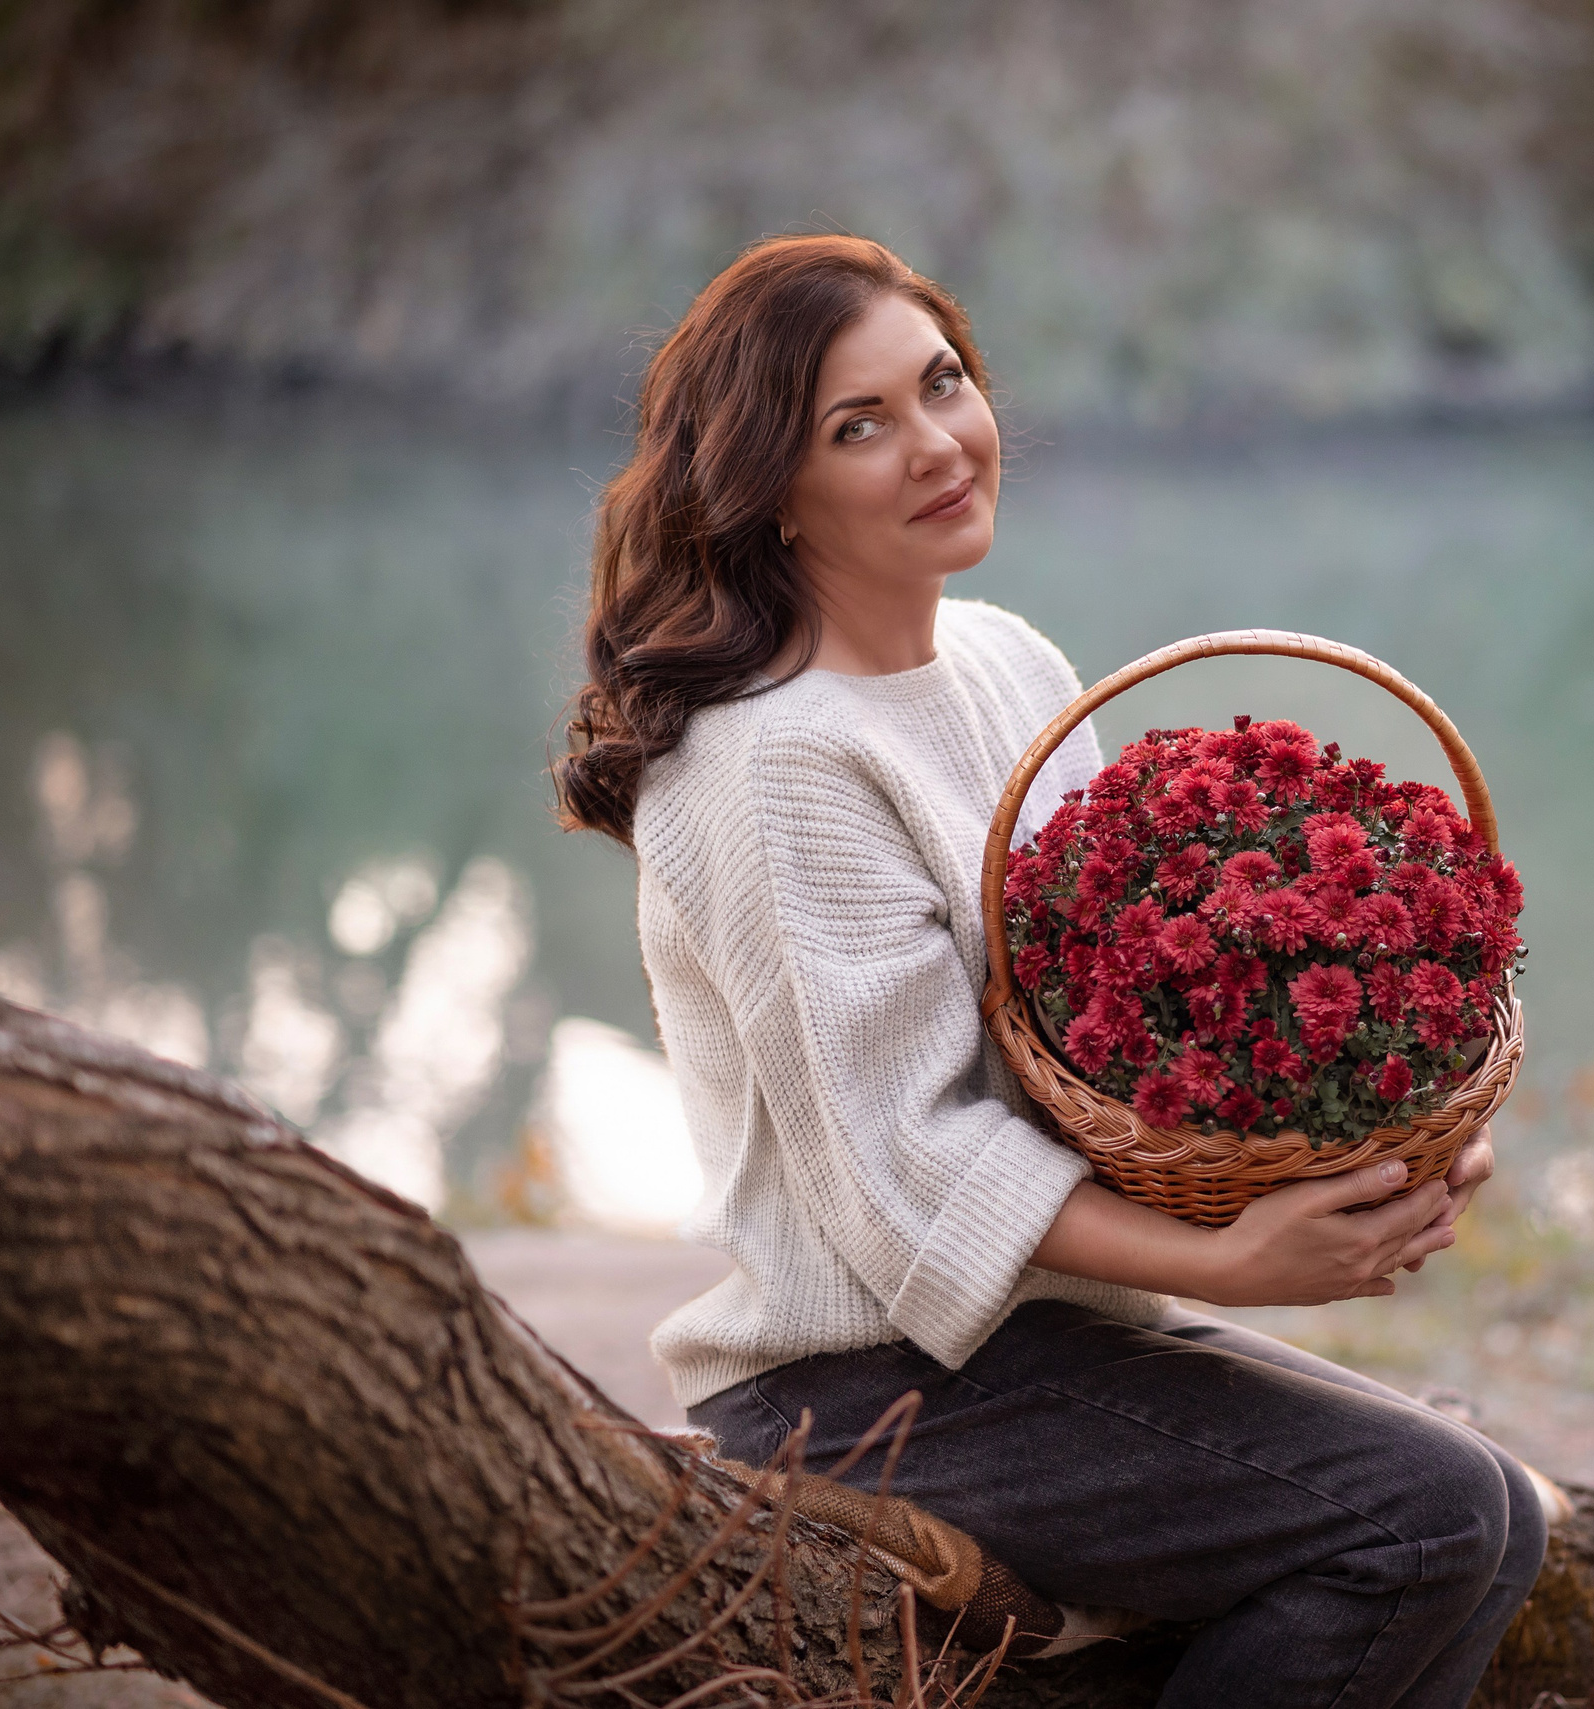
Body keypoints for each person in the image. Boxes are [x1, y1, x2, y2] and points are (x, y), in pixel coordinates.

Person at [553, 233, 1543, 1709]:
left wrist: (1373, 1154)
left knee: (1500, 1509)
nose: (937, 443)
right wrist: (1229, 1265)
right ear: (772, 492)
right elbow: (906, 1170)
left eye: (942, 382)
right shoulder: (771, 765)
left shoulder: (1007, 662)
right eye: (858, 426)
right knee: (1429, 1518)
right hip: (864, 1388)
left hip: (1048, 1343)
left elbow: (1114, 1033)